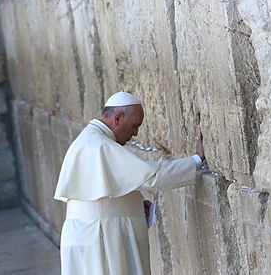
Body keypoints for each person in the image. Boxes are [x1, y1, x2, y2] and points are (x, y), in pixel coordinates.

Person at [54, 91, 205, 275]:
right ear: (117, 119)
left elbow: (101, 196)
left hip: (91, 234)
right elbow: (152, 177)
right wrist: (196, 160)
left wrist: (132, 204)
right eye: (135, 125)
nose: (135, 133)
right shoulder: (100, 145)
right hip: (99, 237)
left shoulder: (91, 139)